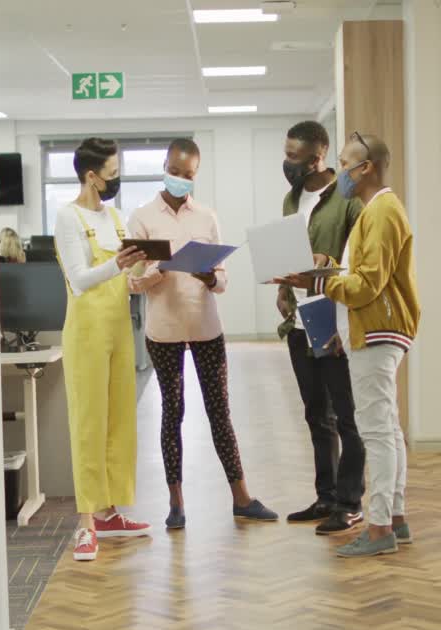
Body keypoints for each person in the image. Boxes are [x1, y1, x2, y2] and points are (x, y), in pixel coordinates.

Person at [276, 132, 421, 558]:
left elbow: (367, 284)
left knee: (376, 432)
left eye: (344, 164)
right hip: (372, 328)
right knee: (387, 429)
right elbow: (363, 275)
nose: (339, 171)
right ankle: (395, 520)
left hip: (378, 330)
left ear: (366, 167)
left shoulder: (382, 211)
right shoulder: (376, 212)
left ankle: (379, 529)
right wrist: (328, 268)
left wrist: (318, 282)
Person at [128, 139, 278, 529]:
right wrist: (158, 270)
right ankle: (176, 504)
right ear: (164, 166)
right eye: (174, 172)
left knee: (219, 413)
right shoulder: (142, 218)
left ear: (196, 174)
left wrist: (211, 277)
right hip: (164, 332)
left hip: (206, 327)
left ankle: (242, 498)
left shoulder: (207, 217)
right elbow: (132, 282)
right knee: (172, 413)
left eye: (188, 175)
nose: (180, 179)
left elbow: (223, 280)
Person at [53, 137, 151, 562]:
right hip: (87, 333)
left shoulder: (115, 216)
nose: (116, 179)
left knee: (119, 421)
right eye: (112, 174)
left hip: (118, 328)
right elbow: (78, 279)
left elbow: (123, 277)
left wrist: (145, 268)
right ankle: (86, 522)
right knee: (89, 424)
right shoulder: (68, 217)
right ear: (91, 176)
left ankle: (110, 512)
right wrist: (119, 264)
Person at [277, 121, 368, 536]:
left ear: (318, 156)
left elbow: (358, 263)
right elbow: (289, 253)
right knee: (316, 413)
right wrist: (283, 289)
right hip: (299, 318)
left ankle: (350, 502)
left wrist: (327, 267)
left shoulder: (348, 200)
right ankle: (326, 496)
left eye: (293, 157)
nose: (287, 163)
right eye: (286, 154)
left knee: (347, 415)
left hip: (332, 316)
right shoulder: (291, 199)